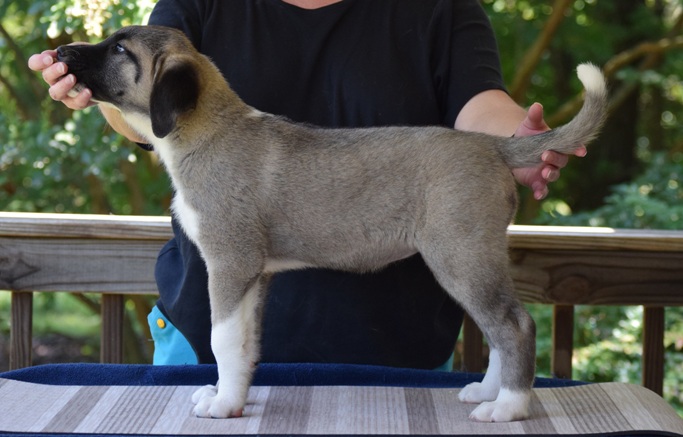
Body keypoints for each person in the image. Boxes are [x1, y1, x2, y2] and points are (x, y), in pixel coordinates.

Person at [29, 0, 585, 370]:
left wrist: (520, 141)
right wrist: (96, 92)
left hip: (394, 345)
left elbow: (479, 103)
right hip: (202, 341)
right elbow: (150, 110)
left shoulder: (440, 6)